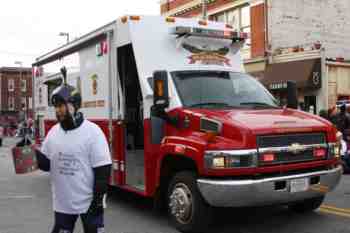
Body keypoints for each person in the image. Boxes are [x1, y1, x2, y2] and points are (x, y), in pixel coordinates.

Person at [35, 82, 112, 233]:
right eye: (56, 106)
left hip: (89, 202)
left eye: (61, 105)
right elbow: (46, 164)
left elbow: (103, 170)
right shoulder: (54, 133)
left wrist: (97, 201)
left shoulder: (92, 132)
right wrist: (30, 153)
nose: (58, 110)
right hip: (63, 203)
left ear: (74, 105)